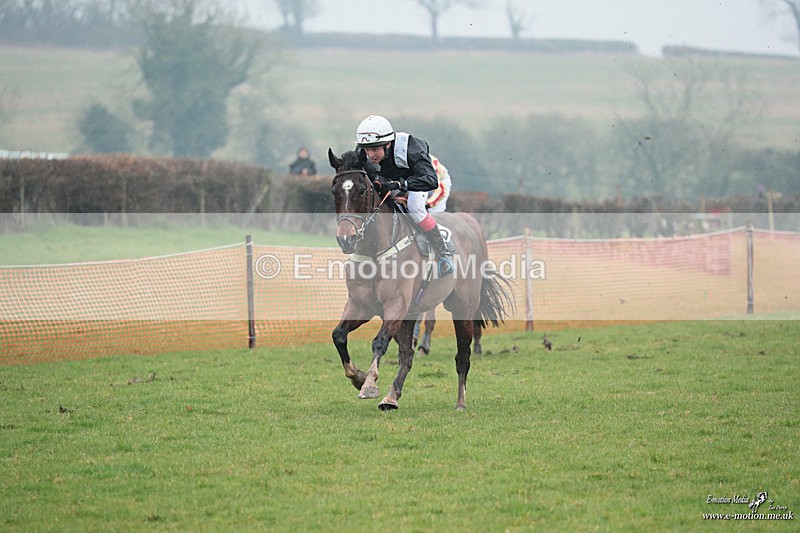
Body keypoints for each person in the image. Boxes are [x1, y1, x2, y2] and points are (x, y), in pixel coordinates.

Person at [355, 115, 453, 276]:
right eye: (367, 149)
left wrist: (401, 185)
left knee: (415, 208)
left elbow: (430, 181)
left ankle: (443, 255)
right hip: (393, 179)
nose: (370, 155)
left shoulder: (411, 149)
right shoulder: (362, 151)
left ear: (388, 144)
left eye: (374, 149)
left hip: (418, 179)